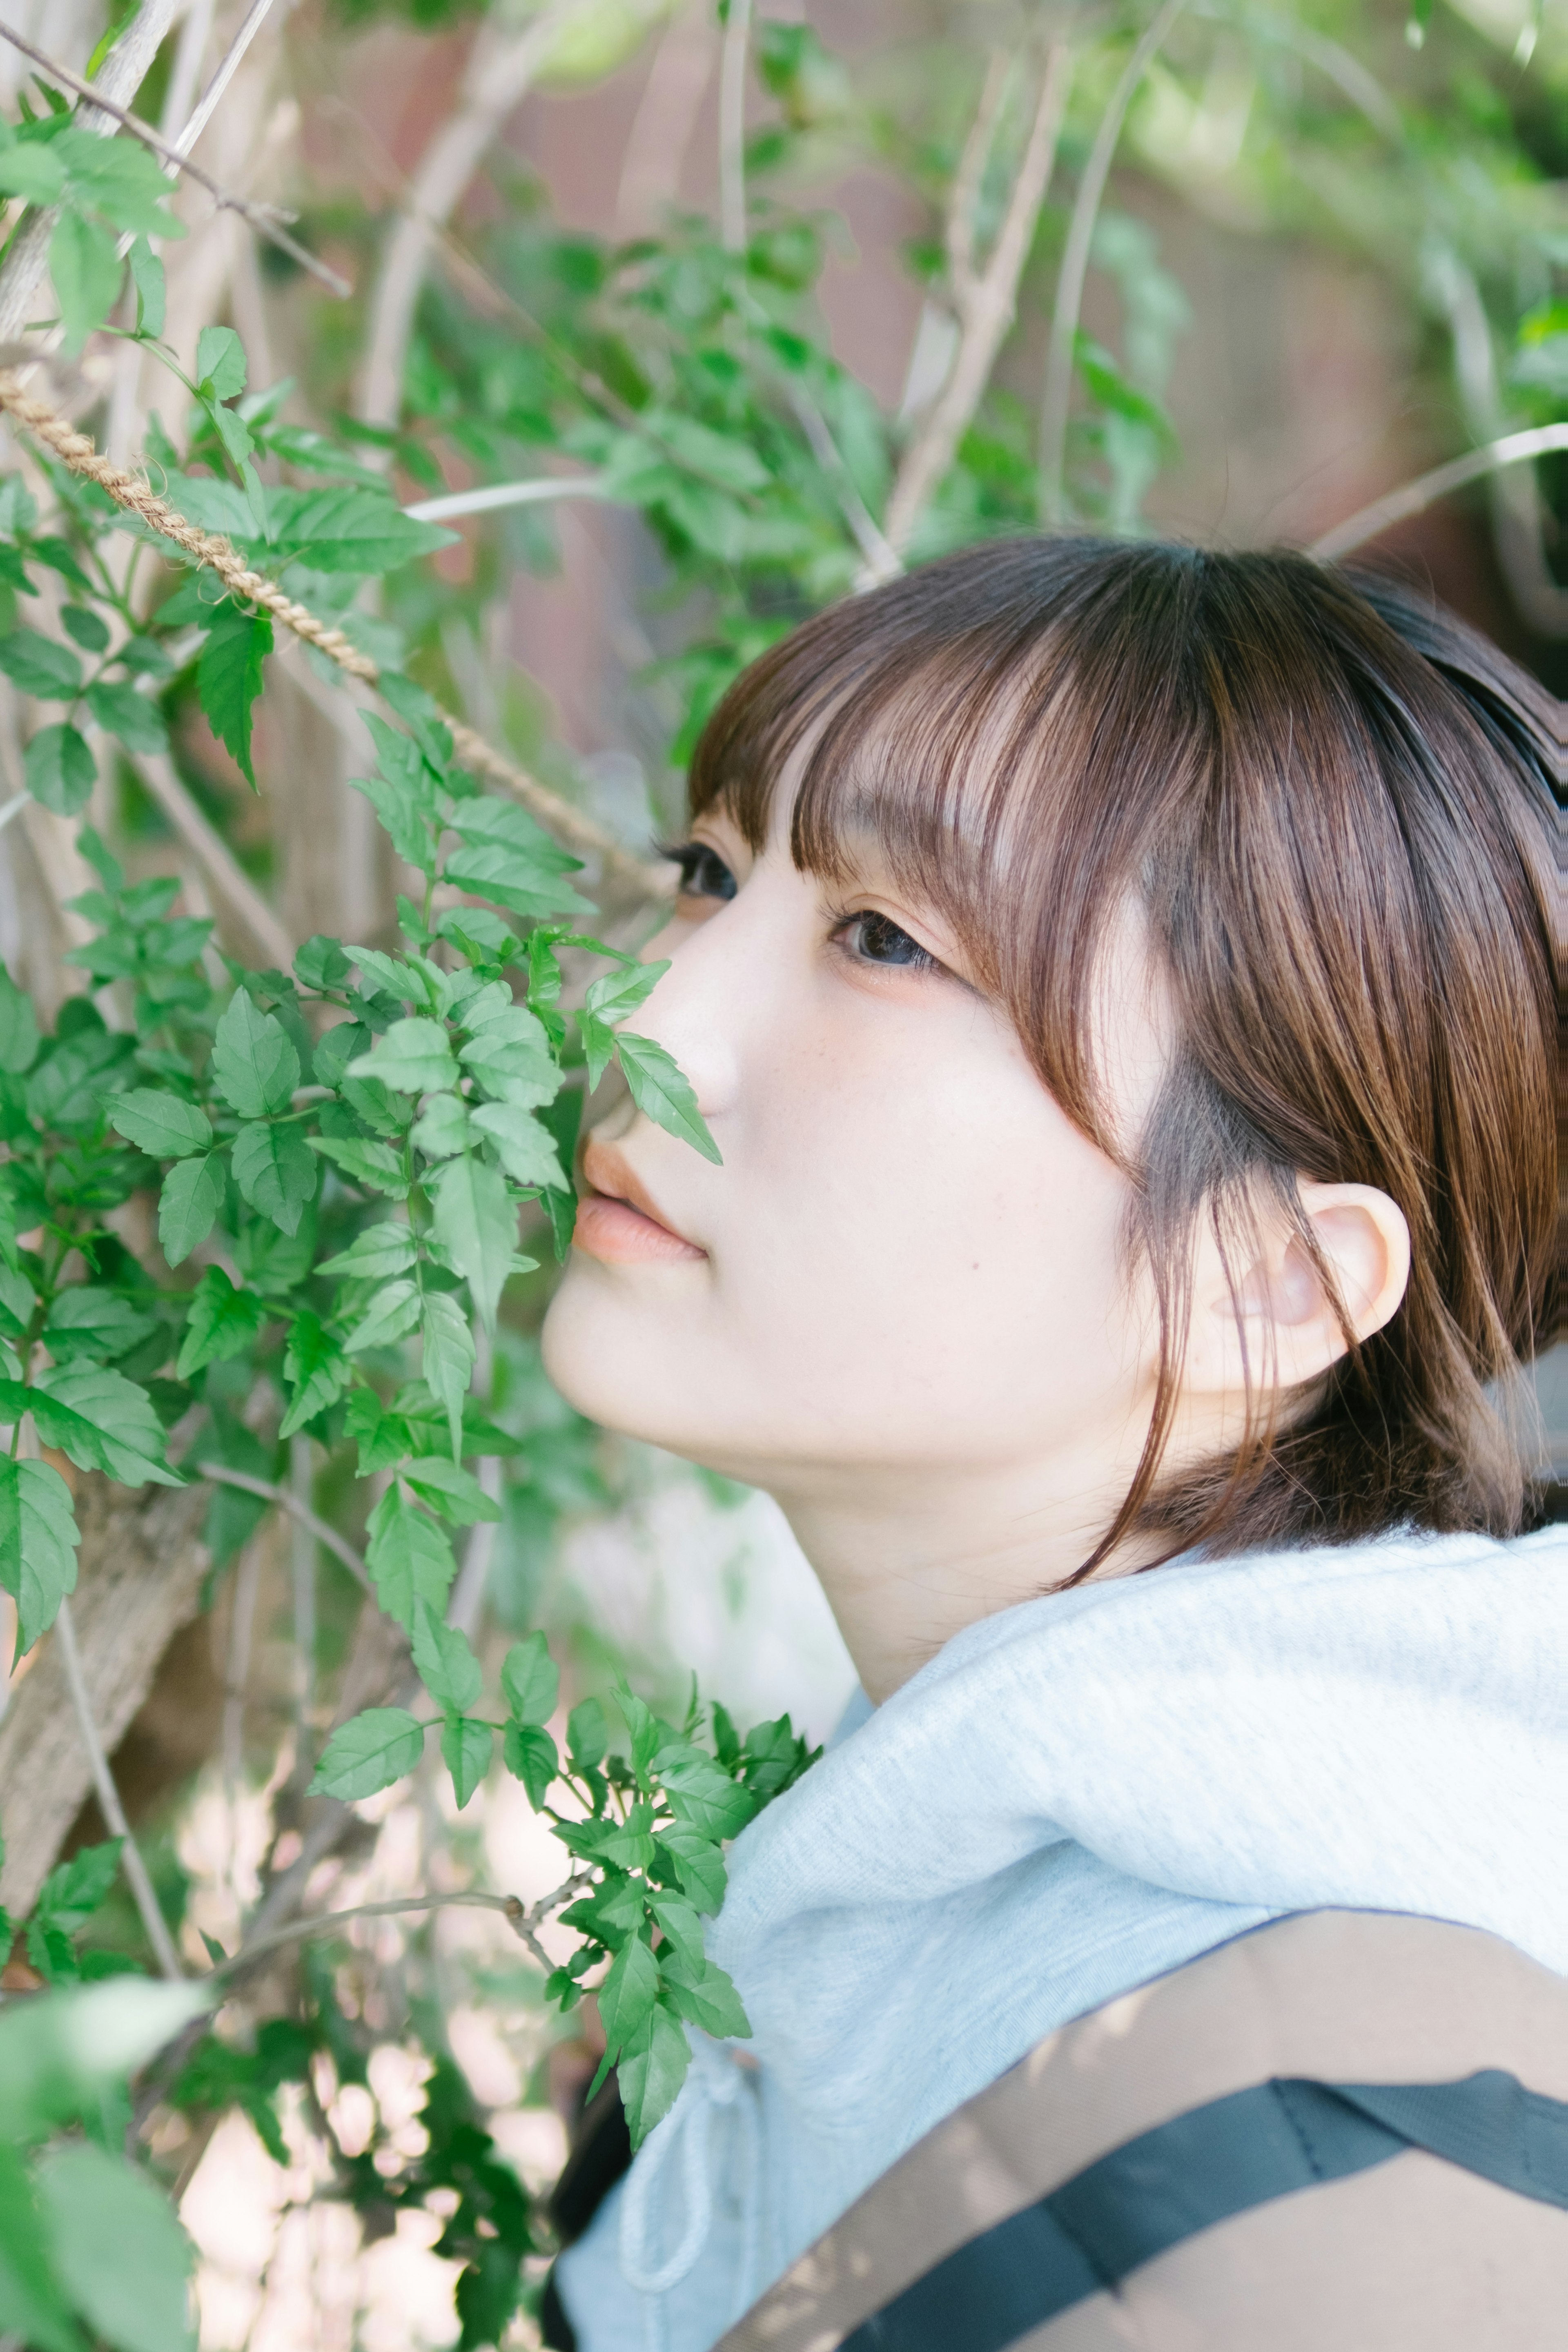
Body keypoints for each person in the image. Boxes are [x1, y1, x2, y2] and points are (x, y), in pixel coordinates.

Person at [537, 538, 1565, 2352]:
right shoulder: (845, 1893)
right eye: (706, 874)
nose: (648, 1018)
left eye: (884, 940)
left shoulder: (1356, 2176)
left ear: (1262, 1280)